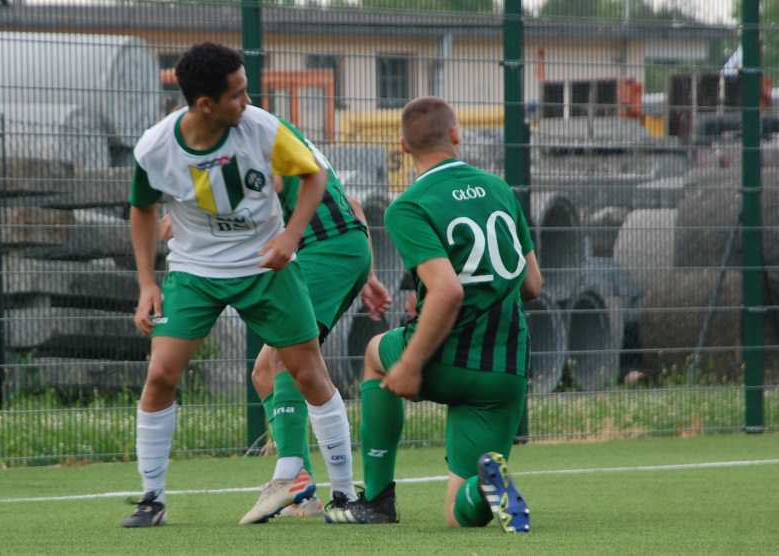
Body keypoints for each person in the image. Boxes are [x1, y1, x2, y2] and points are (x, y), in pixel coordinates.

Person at [122, 42, 357, 528]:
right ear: (204, 104)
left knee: (309, 374)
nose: (247, 102)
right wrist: (148, 282)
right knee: (161, 374)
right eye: (237, 94)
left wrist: (291, 237)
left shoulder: (262, 129)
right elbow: (142, 209)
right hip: (195, 273)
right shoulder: (154, 147)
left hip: (265, 271)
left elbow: (313, 176)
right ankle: (152, 499)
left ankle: (345, 495)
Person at [325, 97, 542, 532]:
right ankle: (481, 490)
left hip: (446, 359)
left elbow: (447, 291)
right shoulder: (500, 189)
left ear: (404, 148)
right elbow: (533, 285)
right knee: (460, 515)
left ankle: (378, 500)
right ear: (456, 134)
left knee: (373, 354)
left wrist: (408, 364)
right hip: (505, 368)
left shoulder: (409, 205)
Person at [158, 125, 392, 523]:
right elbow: (351, 202)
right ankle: (302, 493)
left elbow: (253, 197)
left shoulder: (245, 141)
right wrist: (365, 271)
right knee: (265, 371)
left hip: (325, 250)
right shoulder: (283, 134)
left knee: (286, 361)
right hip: (343, 247)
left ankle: (308, 483)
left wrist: (191, 218)